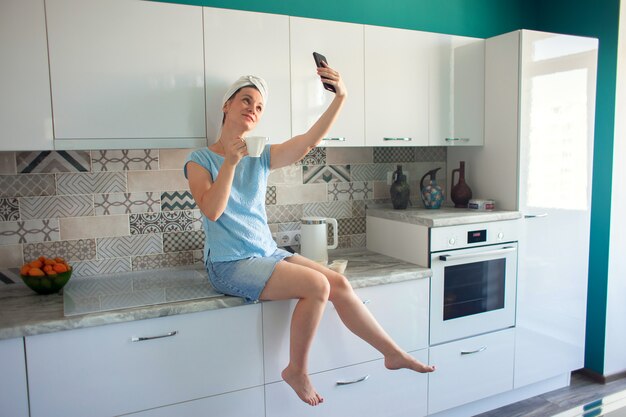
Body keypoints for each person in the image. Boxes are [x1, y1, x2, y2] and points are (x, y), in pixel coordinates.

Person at [184, 63, 435, 407]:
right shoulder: (199, 160)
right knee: (317, 286)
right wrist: (229, 161)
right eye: (245, 100)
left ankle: (392, 353)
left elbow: (306, 143)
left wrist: (341, 97)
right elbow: (212, 210)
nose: (252, 110)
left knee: (339, 283)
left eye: (258, 107)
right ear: (226, 105)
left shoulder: (260, 155)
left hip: (266, 252)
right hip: (229, 263)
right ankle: (296, 370)